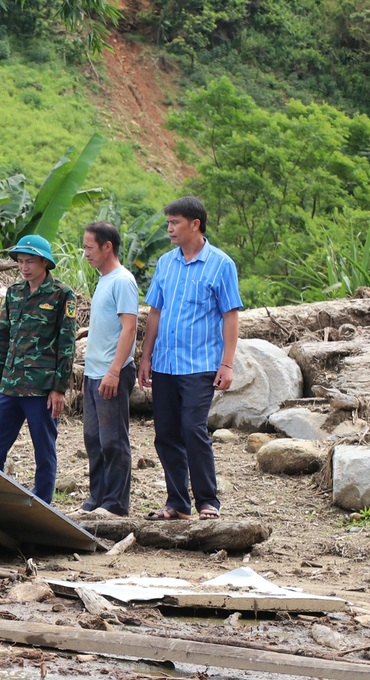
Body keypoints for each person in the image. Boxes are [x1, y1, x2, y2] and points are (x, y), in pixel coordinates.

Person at [138, 196, 242, 521]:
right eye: (168, 223)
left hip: (200, 365)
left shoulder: (221, 264)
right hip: (165, 364)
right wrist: (145, 357)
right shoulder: (165, 263)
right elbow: (155, 312)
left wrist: (227, 363)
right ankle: (177, 503)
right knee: (166, 433)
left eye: (175, 223)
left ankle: (208, 501)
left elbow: (230, 316)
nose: (169, 229)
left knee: (193, 429)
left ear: (195, 224)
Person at [0, 234, 76, 503]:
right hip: (10, 385)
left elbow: (66, 345)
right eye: (20, 262)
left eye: (30, 262)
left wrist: (58, 388)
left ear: (44, 262)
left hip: (41, 388)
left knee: (44, 452)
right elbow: (2, 337)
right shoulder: (14, 292)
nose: (24, 267)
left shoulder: (62, 294)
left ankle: (42, 504)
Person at [73, 221, 139, 519]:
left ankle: (115, 503)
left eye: (89, 247)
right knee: (93, 438)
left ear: (107, 246)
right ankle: (96, 497)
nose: (86, 253)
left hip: (113, 371)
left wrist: (114, 371)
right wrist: (89, 374)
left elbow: (129, 329)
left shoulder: (122, 281)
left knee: (113, 440)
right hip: (94, 373)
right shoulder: (103, 280)